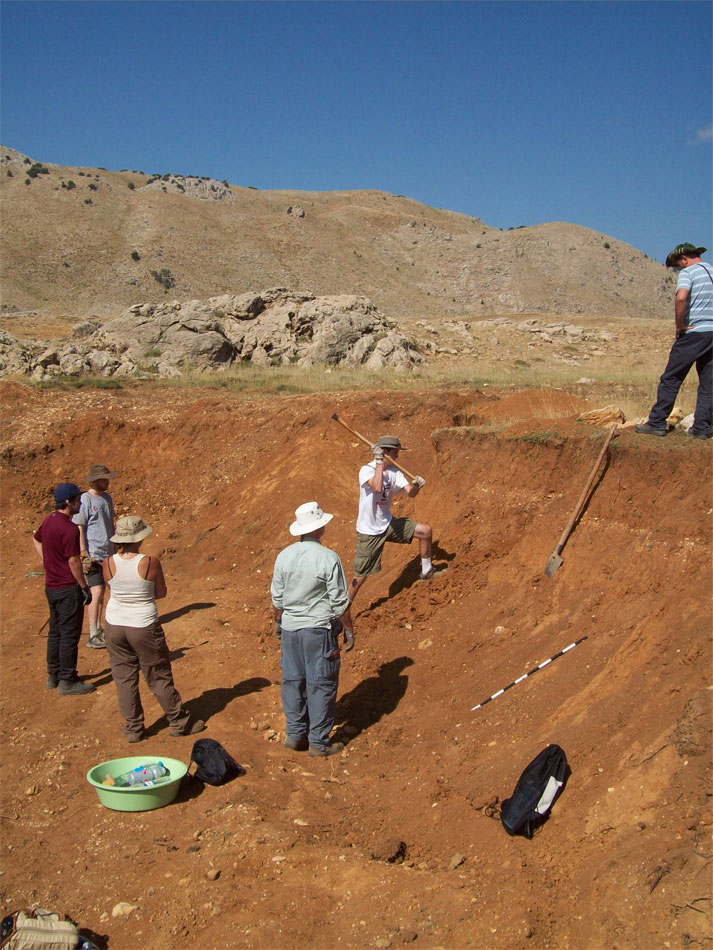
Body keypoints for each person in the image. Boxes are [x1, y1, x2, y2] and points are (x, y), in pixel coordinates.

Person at [102, 515, 206, 743]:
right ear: (139, 537)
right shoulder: (149, 562)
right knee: (157, 674)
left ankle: (133, 728)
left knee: (124, 677)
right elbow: (161, 593)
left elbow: (112, 590)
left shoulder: (108, 562)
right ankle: (178, 721)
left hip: (114, 623)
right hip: (142, 625)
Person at [271, 502, 354, 757]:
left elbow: (278, 598)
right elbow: (339, 601)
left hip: (291, 629)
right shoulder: (328, 558)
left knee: (293, 681)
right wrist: (349, 630)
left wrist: (278, 623)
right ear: (320, 528)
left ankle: (295, 735)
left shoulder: (284, 555)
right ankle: (319, 741)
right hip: (318, 629)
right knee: (321, 682)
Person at [636, 243, 713, 439]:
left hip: (694, 333)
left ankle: (656, 422)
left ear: (684, 258)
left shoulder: (689, 272)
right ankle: (701, 429)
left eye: (678, 265)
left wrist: (679, 326)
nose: (679, 269)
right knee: (708, 383)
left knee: (671, 378)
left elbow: (681, 298)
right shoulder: (711, 270)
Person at [348, 435, 433, 604]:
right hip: (369, 530)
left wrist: (416, 486)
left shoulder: (395, 472)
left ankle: (427, 570)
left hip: (387, 523)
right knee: (361, 575)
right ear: (385, 452)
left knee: (425, 532)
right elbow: (377, 486)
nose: (397, 456)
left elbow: (411, 493)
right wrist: (379, 462)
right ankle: (341, 610)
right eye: (395, 452)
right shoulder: (366, 470)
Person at [33, 482, 95, 696]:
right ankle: (68, 680)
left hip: (51, 587)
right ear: (68, 502)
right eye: (78, 499)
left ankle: (54, 675)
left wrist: (48, 563)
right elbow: (74, 561)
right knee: (69, 635)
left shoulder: (49, 520)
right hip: (67, 588)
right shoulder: (69, 529)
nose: (80, 502)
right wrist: (83, 586)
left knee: (56, 632)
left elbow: (36, 540)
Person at [73, 462, 117, 649]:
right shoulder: (85, 500)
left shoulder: (107, 498)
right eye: (104, 479)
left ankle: (103, 629)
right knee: (96, 592)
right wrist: (83, 551)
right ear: (95, 480)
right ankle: (93, 632)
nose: (107, 482)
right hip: (93, 554)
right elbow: (79, 526)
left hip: (109, 553)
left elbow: (111, 523)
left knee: (107, 591)